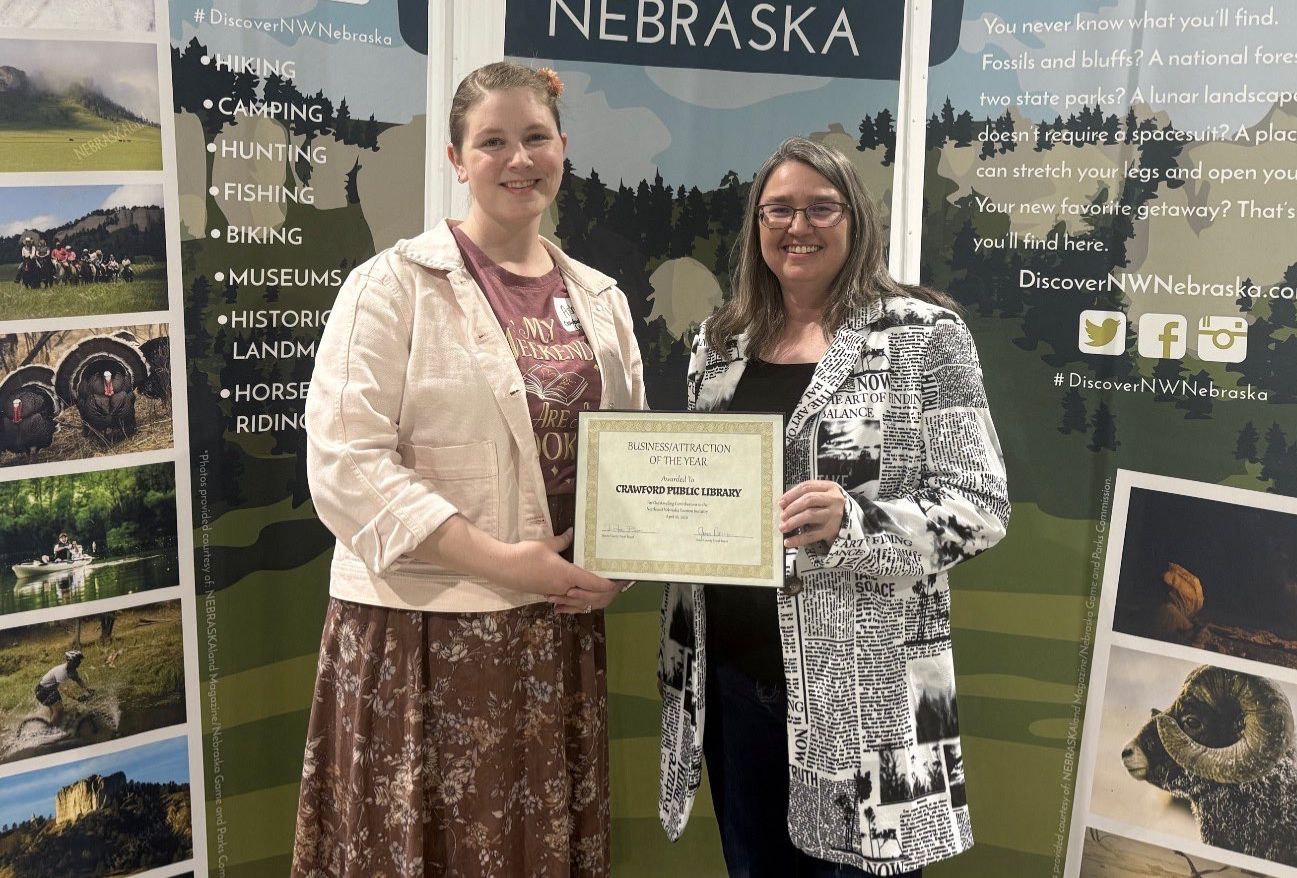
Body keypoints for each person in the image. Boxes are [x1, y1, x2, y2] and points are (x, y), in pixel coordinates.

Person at [294, 61, 645, 877]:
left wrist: (619, 569)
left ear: (563, 146)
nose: (518, 159)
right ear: (457, 160)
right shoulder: (389, 287)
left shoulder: (601, 300)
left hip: (556, 632)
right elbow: (345, 464)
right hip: (423, 633)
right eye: (492, 142)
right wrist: (502, 562)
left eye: (534, 137)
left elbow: (632, 464)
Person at [658, 138, 1009, 877]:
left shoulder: (925, 337)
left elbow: (980, 505)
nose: (798, 226)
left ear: (856, 220)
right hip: (730, 676)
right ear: (756, 225)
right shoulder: (720, 344)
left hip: (868, 686)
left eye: (821, 208)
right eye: (778, 209)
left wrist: (855, 523)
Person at [35, 650, 91, 727]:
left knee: (57, 711)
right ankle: (52, 730)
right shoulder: (61, 671)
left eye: (79, 661)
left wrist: (88, 689)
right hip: (42, 690)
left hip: (51, 690)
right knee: (59, 709)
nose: (79, 663)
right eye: (77, 661)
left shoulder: (72, 670)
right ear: (70, 661)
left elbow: (79, 680)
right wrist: (77, 697)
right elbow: (64, 689)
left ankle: (52, 725)